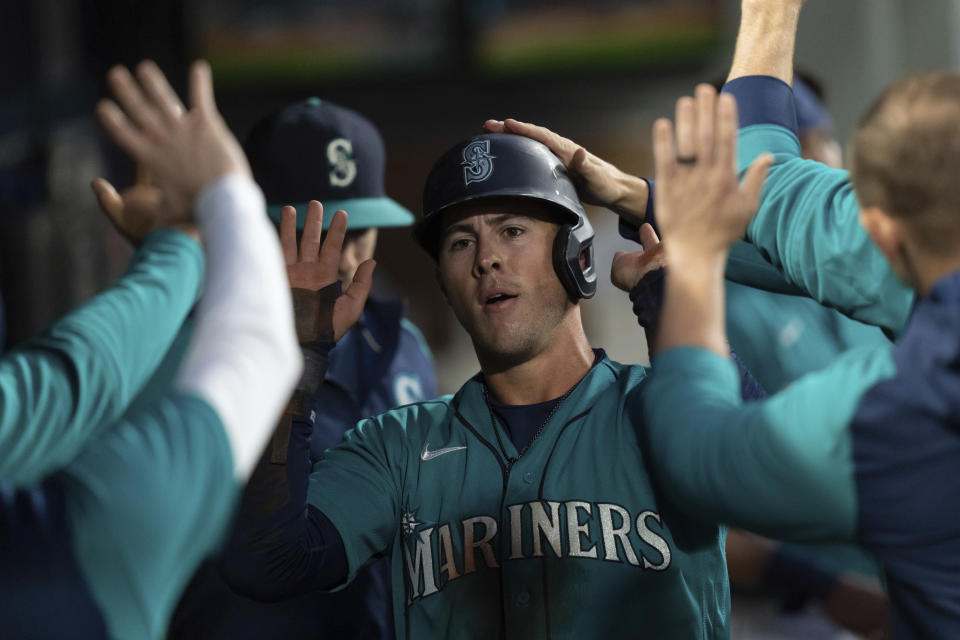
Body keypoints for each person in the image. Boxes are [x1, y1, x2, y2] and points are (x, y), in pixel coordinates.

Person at [220, 130, 772, 638]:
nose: (487, 258)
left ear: (575, 255)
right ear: (446, 285)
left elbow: (766, 471)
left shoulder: (659, 411)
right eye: (462, 242)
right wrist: (290, 365)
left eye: (512, 231)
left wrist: (672, 308)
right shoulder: (397, 447)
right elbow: (266, 564)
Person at [637, 1, 960, 637]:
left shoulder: (899, 410)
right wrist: (641, 199)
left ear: (884, 236)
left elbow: (699, 455)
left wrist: (691, 263)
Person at [0, 59, 327, 639]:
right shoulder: (84, 539)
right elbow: (255, 353)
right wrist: (220, 193)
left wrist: (184, 242)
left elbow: (61, 385)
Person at [170, 98, 435, 640]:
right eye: (313, 234)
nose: (339, 256)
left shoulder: (401, 344)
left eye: (357, 231)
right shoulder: (199, 352)